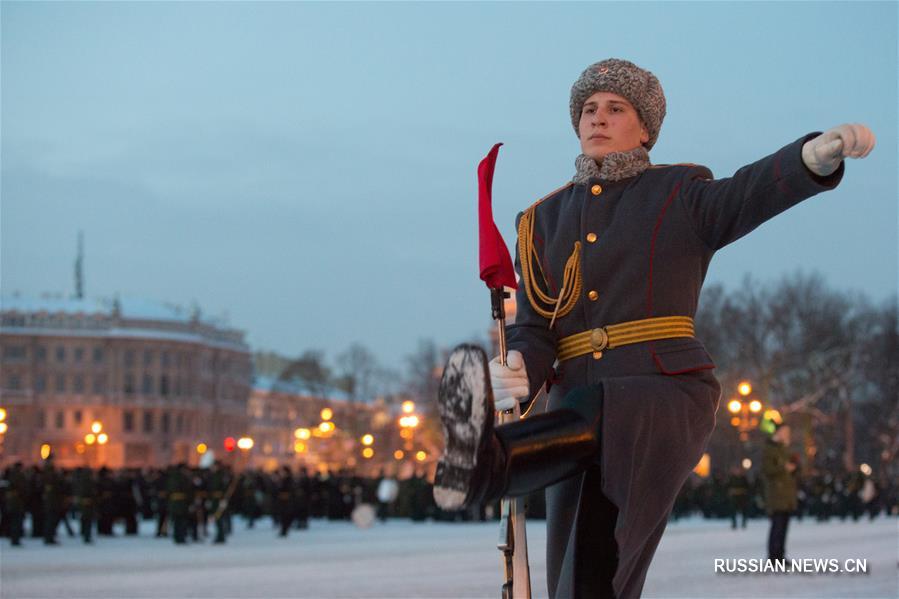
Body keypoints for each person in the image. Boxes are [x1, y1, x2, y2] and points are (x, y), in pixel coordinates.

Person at [432, 58, 875, 599]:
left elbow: (746, 194)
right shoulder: (541, 220)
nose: (598, 118)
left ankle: (491, 464)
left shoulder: (678, 192)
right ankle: (492, 464)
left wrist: (808, 160)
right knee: (584, 576)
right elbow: (538, 327)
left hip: (660, 392)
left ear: (645, 129)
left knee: (603, 423)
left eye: (615, 109)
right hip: (573, 406)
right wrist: (521, 367)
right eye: (589, 109)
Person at [762, 424, 798, 560]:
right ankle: (773, 557)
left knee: (783, 527)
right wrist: (784, 468)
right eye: (785, 431)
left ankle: (780, 555)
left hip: (787, 495)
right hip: (776, 494)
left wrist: (794, 468)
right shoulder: (770, 449)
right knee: (776, 527)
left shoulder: (785, 449)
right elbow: (767, 469)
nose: (787, 434)